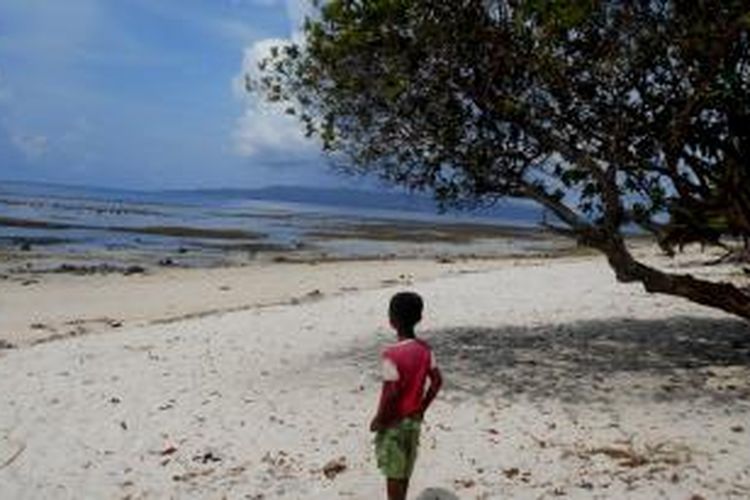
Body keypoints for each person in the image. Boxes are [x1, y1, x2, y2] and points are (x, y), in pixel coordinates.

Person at [370, 291, 443, 500]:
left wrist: (379, 419)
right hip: (414, 421)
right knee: (405, 469)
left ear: (391, 321)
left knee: (393, 472)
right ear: (419, 318)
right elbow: (437, 381)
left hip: (393, 423)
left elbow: (390, 394)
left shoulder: (391, 354)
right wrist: (422, 406)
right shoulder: (425, 350)